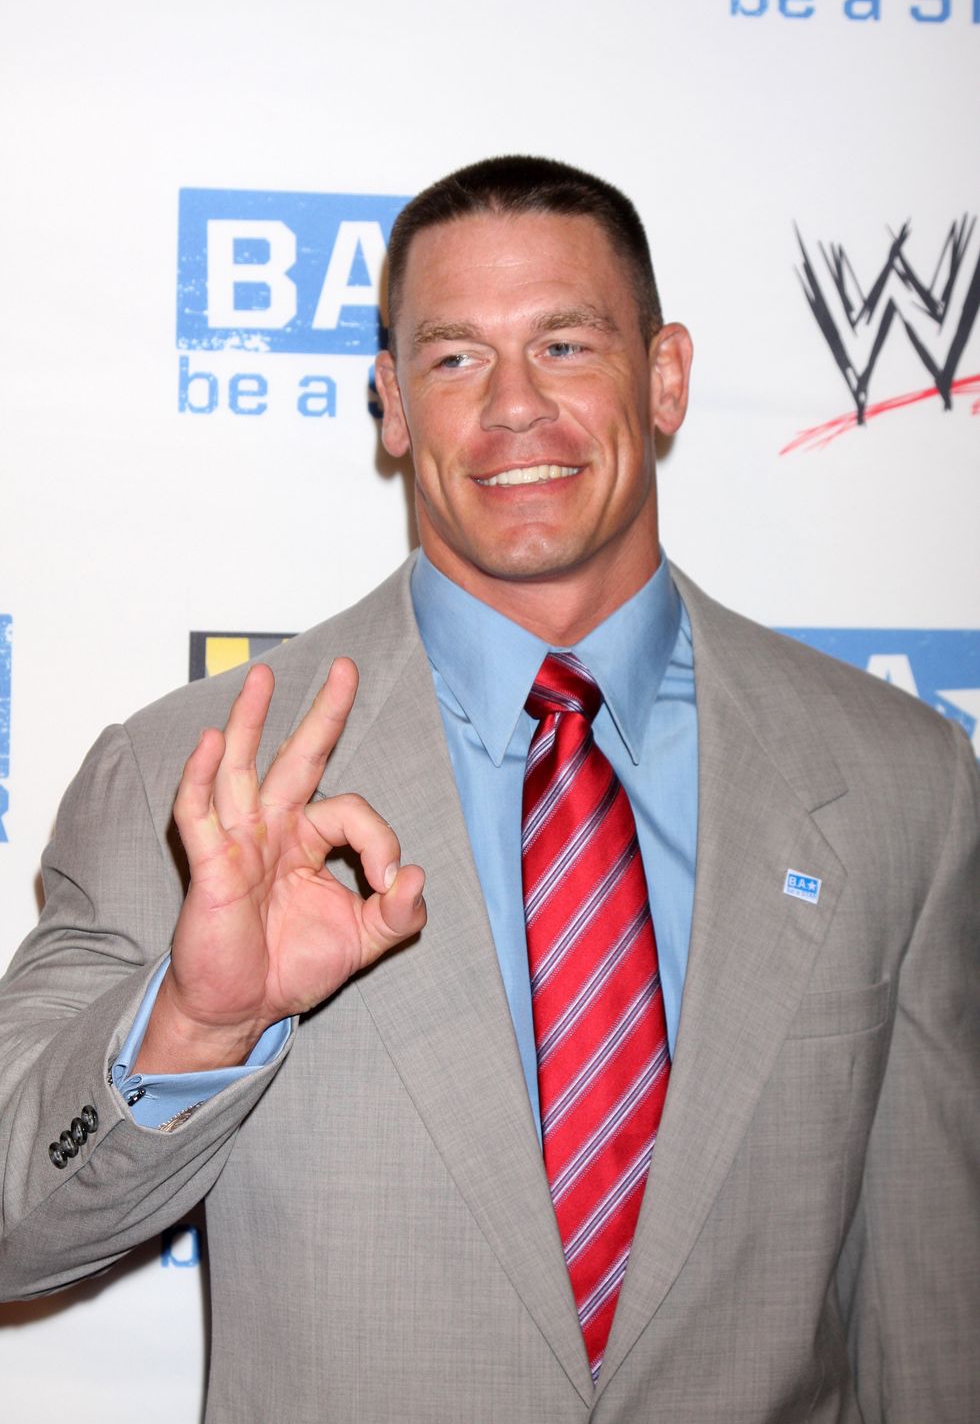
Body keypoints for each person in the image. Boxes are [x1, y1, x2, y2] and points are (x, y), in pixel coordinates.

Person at [1, 156, 977, 1424]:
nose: (515, 406)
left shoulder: (900, 782)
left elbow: (930, 1321)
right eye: (456, 358)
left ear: (665, 375)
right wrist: (194, 1022)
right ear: (393, 404)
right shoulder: (191, 779)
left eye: (564, 345)